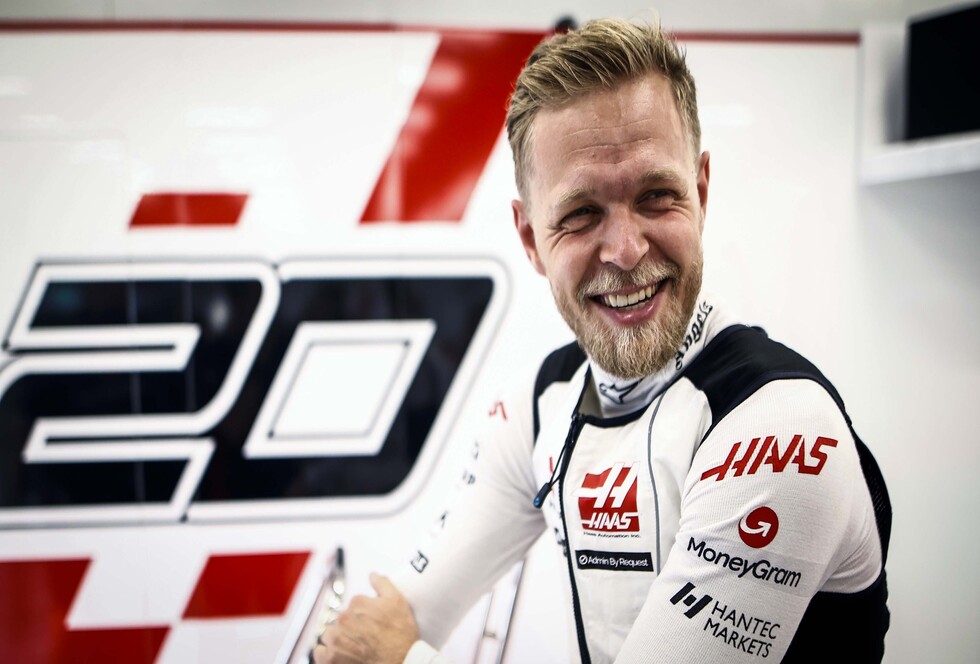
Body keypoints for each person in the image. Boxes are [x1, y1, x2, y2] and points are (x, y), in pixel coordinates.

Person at [314, 17, 890, 664]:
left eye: (656, 196)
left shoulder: (780, 429)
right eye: (582, 214)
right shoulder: (541, 406)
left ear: (701, 193)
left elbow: (393, 644)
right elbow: (406, 610)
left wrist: (399, 658)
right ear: (530, 238)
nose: (625, 250)